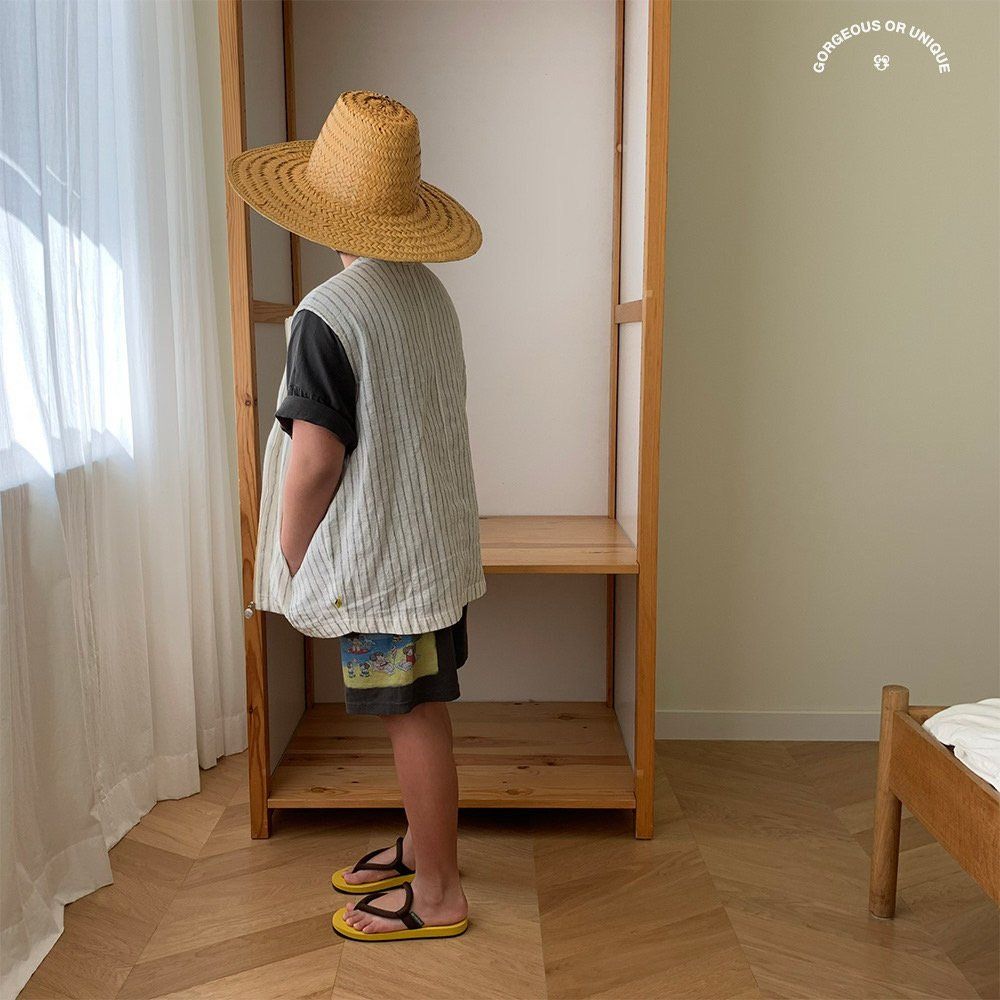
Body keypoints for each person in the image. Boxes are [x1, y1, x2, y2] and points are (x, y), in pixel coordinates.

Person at [226, 90, 485, 942]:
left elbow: (314, 461)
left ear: (320, 210)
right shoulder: (429, 296)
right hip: (431, 551)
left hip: (378, 566)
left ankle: (438, 893)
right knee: (421, 705)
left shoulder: (327, 315)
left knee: (411, 715)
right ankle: (421, 846)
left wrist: (291, 554)